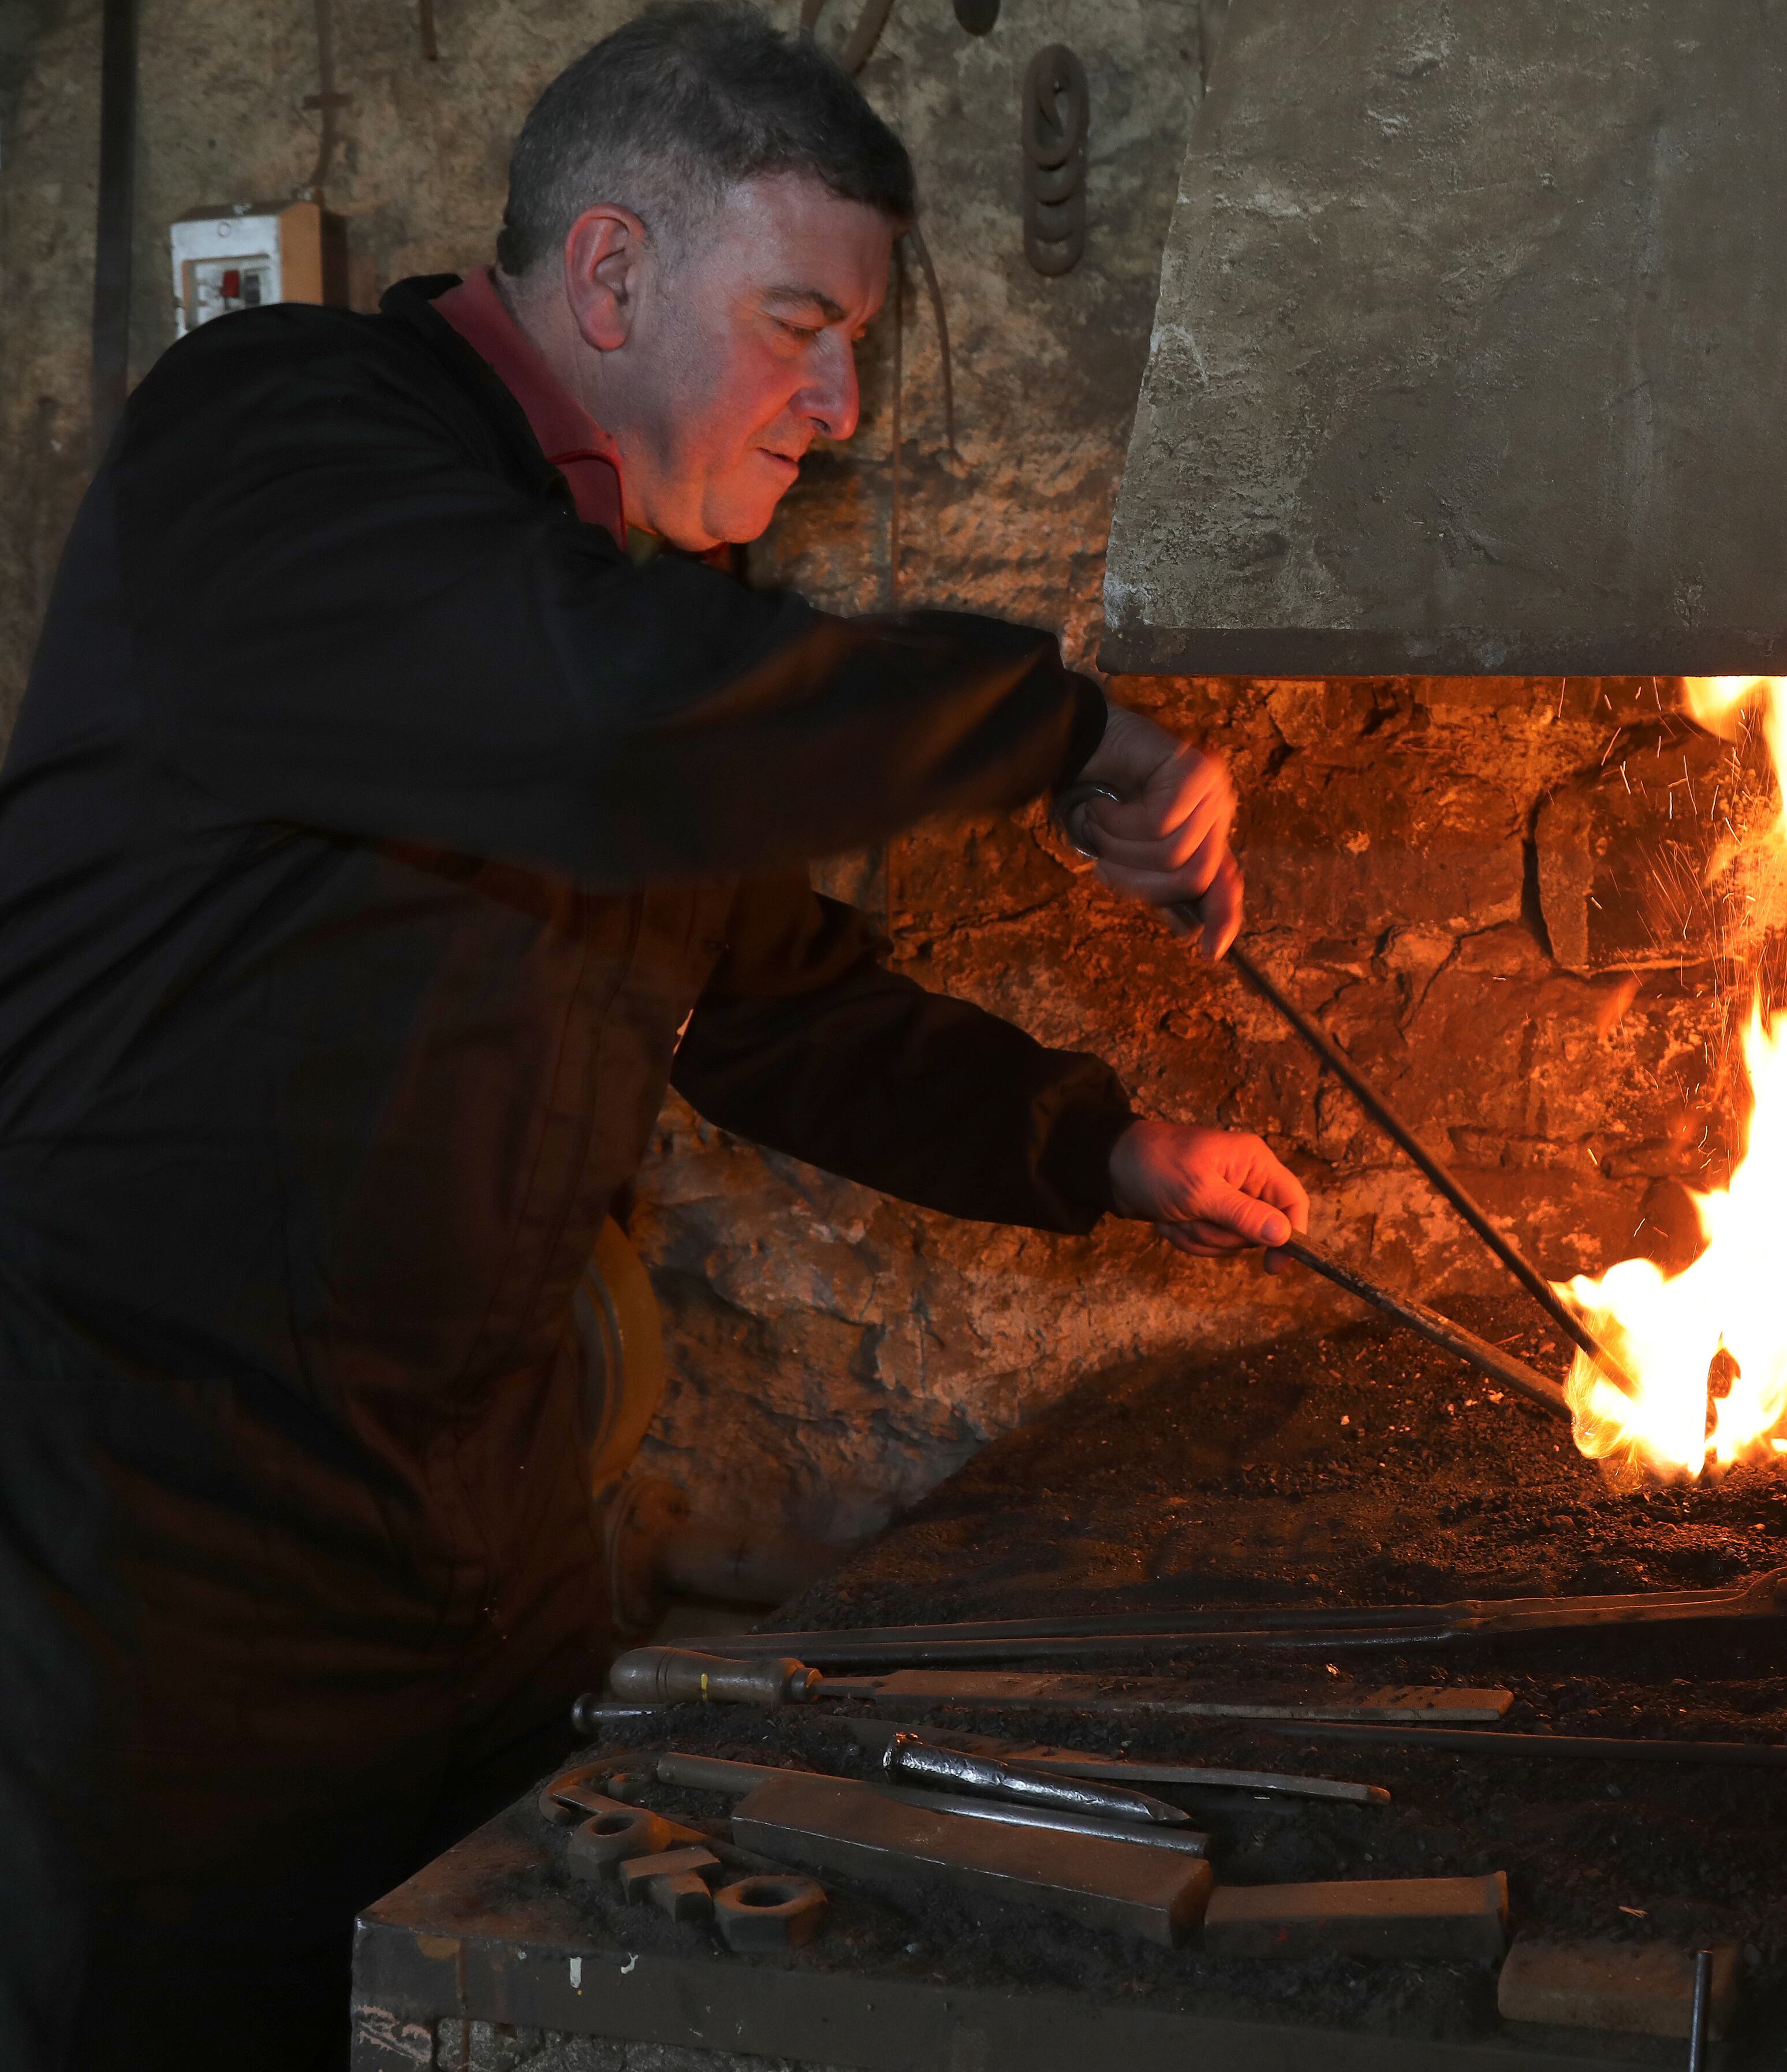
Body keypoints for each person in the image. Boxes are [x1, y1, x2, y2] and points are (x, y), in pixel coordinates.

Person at [0, 7, 1305, 2064]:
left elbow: (768, 1000)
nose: (843, 402)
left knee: (500, 2015)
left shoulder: (581, 598)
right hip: (172, 1559)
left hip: (488, 1536)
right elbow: (618, 724)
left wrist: (1110, 1148)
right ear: (610, 274)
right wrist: (1049, 718)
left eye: (855, 343)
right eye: (799, 323)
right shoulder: (278, 446)